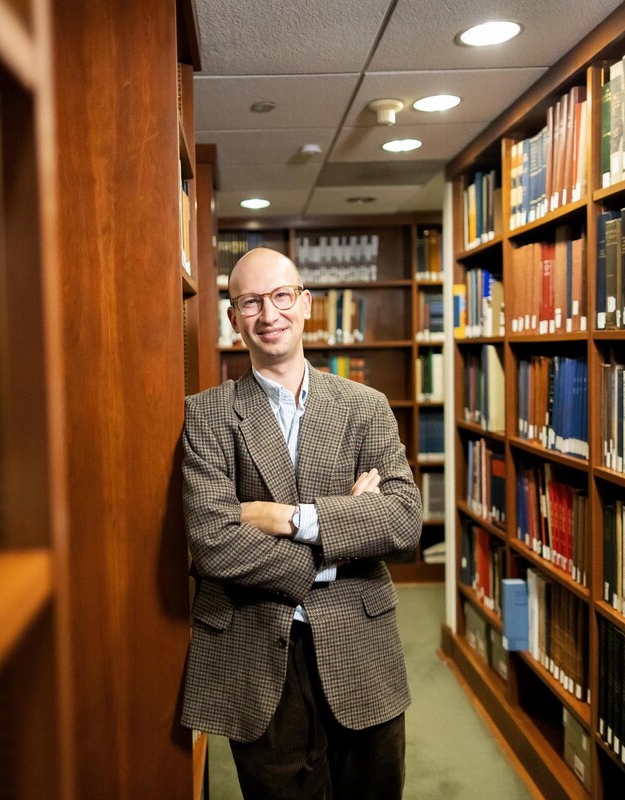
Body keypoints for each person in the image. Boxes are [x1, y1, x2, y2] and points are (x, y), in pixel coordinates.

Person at [179, 246, 421, 800]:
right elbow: (215, 545)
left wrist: (290, 518)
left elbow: (404, 521)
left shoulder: (365, 406)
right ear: (232, 316)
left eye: (282, 296)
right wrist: (349, 529)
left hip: (360, 643)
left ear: (306, 303)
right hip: (257, 648)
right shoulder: (206, 415)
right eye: (251, 302)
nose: (270, 315)